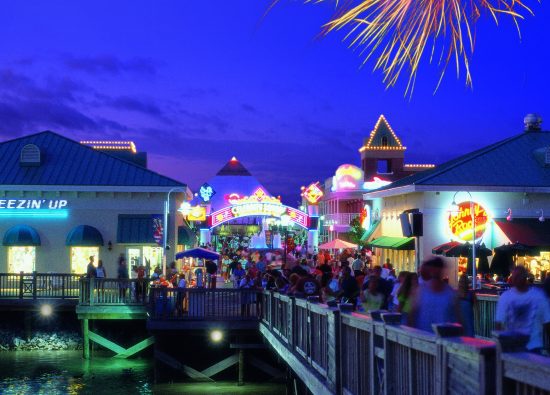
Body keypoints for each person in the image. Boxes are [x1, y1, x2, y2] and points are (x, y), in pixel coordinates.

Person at [496, 266, 550, 353]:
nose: (515, 279)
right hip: (513, 347)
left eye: (518, 276)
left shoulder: (539, 296)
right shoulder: (505, 297)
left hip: (533, 347)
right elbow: (498, 324)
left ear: (525, 277)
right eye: (514, 277)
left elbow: (548, 323)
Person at [409, 257, 458, 333]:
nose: (436, 271)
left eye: (438, 269)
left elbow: (457, 317)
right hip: (423, 336)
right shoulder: (421, 290)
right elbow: (412, 314)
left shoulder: (450, 293)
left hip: (444, 338)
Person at [457, 272, 476, 337]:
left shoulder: (456, 294)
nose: (462, 283)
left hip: (464, 320)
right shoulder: (471, 294)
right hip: (466, 319)